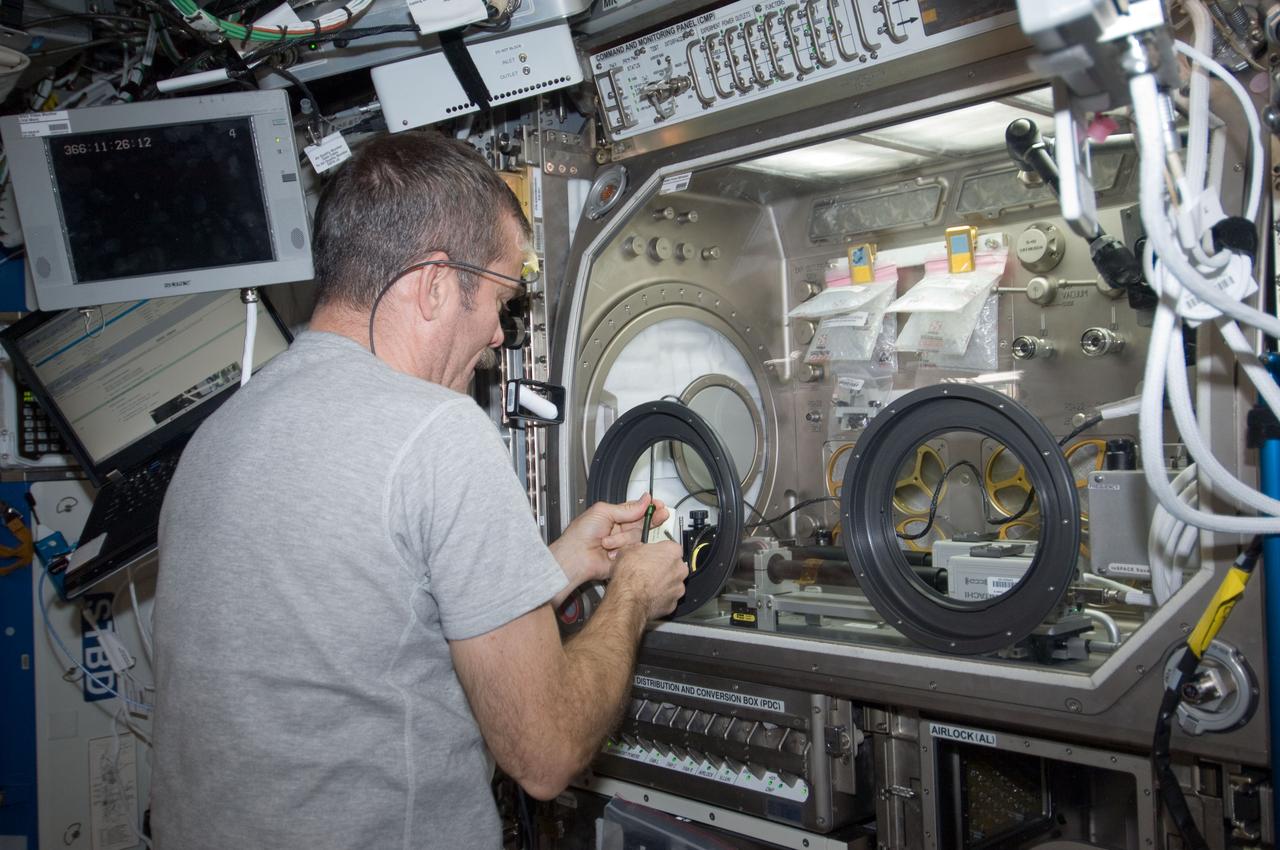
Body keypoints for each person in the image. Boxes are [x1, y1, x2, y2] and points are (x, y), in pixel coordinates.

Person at [151, 130, 687, 849]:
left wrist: (559, 563)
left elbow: (369, 630)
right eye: (499, 300)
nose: (500, 336)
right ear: (436, 284)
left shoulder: (223, 431)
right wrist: (632, 597)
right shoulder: (438, 431)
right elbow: (546, 753)